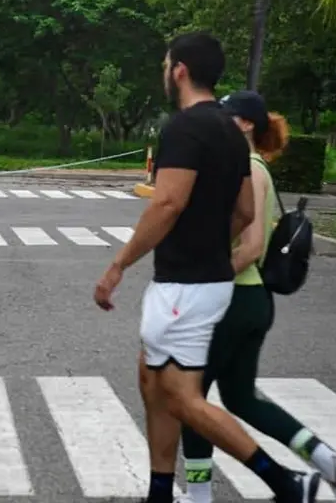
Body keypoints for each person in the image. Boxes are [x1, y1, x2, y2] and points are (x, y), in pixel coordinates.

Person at [93, 31, 320, 503]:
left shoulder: (185, 128)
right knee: (152, 380)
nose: (164, 72)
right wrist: (212, 243)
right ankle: (160, 490)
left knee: (181, 398)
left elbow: (167, 203)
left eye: (166, 64)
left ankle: (286, 482)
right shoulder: (230, 133)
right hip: (204, 281)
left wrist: (118, 264)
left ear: (180, 70)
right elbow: (244, 212)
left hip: (186, 285)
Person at [179, 90, 336, 503]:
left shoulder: (248, 169)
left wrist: (199, 281)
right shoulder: (249, 166)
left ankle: (199, 494)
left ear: (245, 124)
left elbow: (250, 248)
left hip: (233, 299)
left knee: (189, 398)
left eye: (226, 117)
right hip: (252, 300)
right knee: (241, 398)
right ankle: (328, 460)